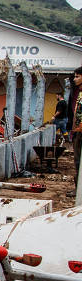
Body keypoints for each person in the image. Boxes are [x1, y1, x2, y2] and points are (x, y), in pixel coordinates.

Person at [68, 67, 82, 198]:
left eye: (77, 76)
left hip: (80, 132)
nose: (75, 79)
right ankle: (78, 189)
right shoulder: (79, 93)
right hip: (77, 132)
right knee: (77, 162)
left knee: (78, 162)